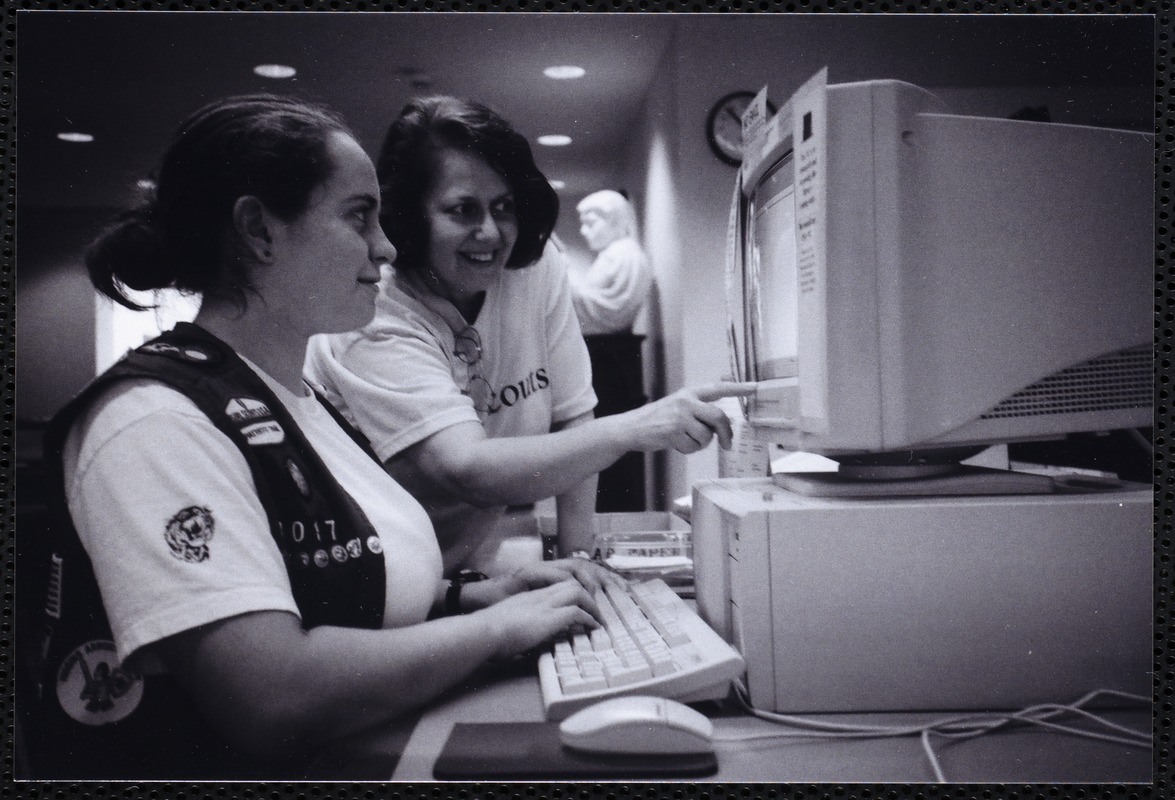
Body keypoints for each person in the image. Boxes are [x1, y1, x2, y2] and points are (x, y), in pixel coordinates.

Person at [27, 94, 618, 781]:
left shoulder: (293, 398)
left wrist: (474, 598)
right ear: (259, 231)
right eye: (358, 217)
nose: (387, 246)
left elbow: (334, 590)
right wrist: (491, 632)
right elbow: (269, 695)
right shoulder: (156, 421)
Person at [304, 96, 754, 573]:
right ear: (411, 218)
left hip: (453, 568)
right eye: (463, 210)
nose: (492, 233)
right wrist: (637, 427)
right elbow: (468, 469)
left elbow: (573, 416)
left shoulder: (534, 269)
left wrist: (578, 563)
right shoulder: (372, 316)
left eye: (503, 207)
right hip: (376, 581)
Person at [568, 189, 653, 335]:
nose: (583, 230)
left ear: (615, 222)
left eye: (590, 223)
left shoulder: (628, 257)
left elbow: (615, 312)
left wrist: (569, 282)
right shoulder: (613, 254)